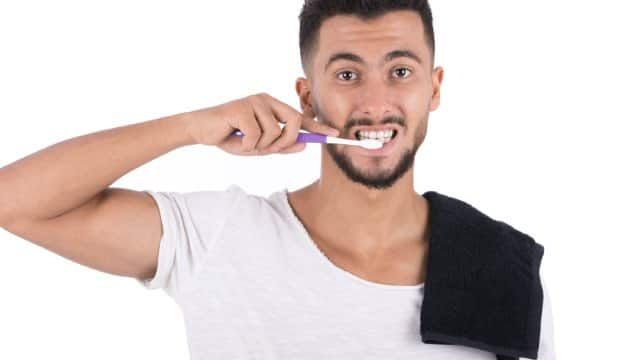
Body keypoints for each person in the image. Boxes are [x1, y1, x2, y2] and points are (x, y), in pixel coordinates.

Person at [0, 1, 555, 359]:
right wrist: (193, 126)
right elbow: (14, 202)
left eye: (400, 72)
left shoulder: (503, 265)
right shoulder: (218, 236)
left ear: (433, 90)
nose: (375, 102)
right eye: (346, 75)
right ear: (307, 96)